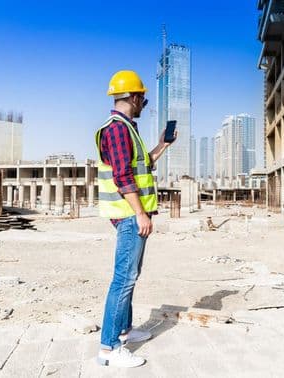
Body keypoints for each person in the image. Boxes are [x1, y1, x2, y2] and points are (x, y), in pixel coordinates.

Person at [95, 70, 176, 367]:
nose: (145, 102)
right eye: (143, 97)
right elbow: (122, 176)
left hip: (132, 214)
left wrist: (163, 145)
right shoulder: (117, 129)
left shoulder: (128, 128)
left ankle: (125, 332)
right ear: (134, 97)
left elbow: (142, 164)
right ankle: (109, 347)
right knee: (123, 279)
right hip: (130, 214)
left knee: (130, 277)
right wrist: (140, 213)